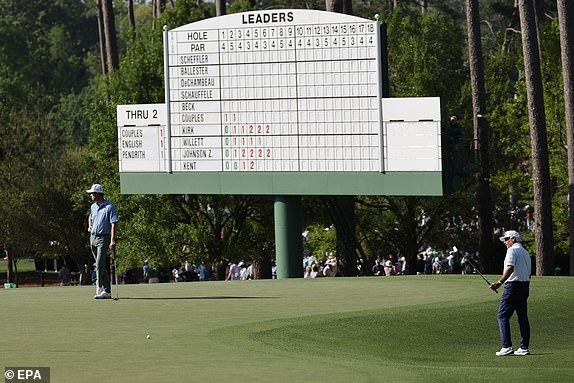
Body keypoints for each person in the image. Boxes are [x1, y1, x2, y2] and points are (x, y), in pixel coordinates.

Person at [490, 230, 531, 356]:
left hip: (513, 286)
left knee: (502, 316)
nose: (505, 242)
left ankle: (506, 346)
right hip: (525, 286)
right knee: (522, 317)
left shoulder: (512, 250)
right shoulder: (525, 252)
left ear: (513, 239)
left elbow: (510, 268)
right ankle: (524, 348)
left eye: (506, 239)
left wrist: (499, 282)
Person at [86, 183, 118, 299]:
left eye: (92, 193)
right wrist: (90, 226)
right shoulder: (93, 206)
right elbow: (90, 217)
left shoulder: (109, 206)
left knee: (99, 263)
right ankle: (107, 291)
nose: (90, 195)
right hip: (92, 238)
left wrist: (112, 240)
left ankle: (99, 287)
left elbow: (113, 224)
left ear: (97, 194)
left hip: (103, 238)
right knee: (101, 265)